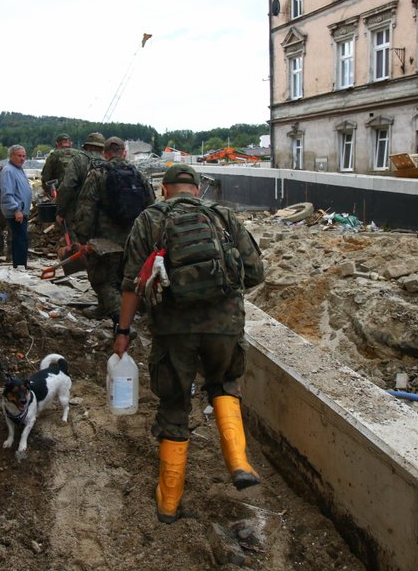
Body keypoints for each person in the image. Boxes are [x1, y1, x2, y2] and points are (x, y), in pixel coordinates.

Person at [113, 163, 265, 523]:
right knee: (224, 384)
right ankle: (239, 462)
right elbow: (255, 273)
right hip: (225, 326)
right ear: (197, 189)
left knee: (175, 405)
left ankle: (168, 502)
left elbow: (132, 283)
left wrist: (122, 332)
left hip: (173, 330)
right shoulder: (223, 216)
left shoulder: (149, 219)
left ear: (164, 189)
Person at [72, 136, 154, 321]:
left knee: (103, 280)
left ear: (105, 153)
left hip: (105, 239)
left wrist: (83, 239)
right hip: (133, 237)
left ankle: (122, 320)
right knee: (127, 277)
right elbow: (151, 206)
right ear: (124, 152)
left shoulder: (98, 174)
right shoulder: (138, 174)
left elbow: (86, 207)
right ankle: (110, 308)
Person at [56, 131, 105, 234]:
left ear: (87, 146)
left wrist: (61, 212)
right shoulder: (108, 161)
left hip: (79, 214)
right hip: (104, 215)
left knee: (77, 245)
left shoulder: (78, 160)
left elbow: (67, 186)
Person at [0, 144, 32, 268]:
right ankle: (20, 267)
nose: (22, 158)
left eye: (24, 156)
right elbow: (7, 193)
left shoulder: (18, 169)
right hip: (16, 211)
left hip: (21, 210)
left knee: (20, 239)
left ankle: (19, 266)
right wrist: (16, 209)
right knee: (21, 240)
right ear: (11, 156)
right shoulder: (8, 170)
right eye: (19, 156)